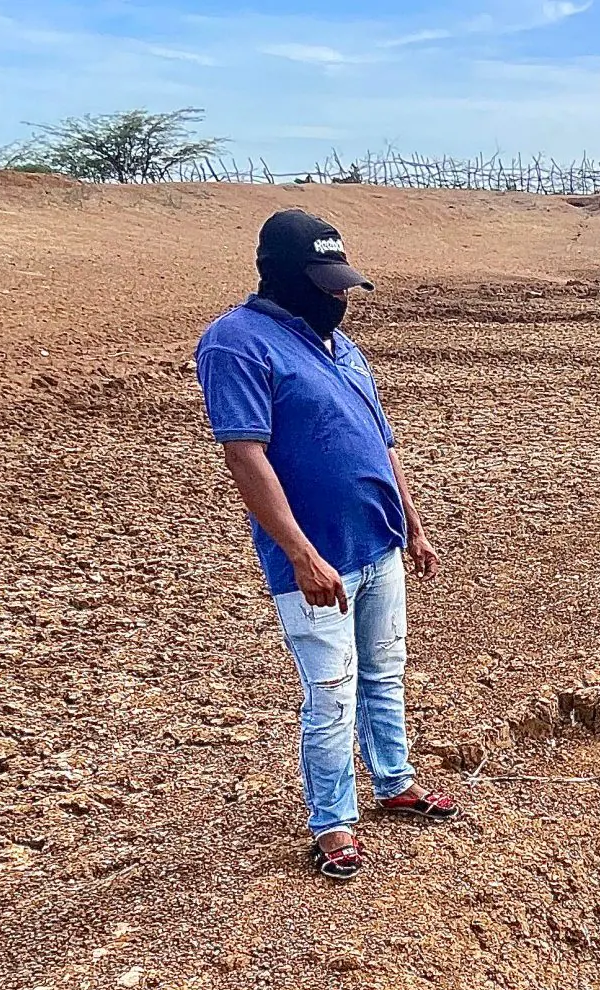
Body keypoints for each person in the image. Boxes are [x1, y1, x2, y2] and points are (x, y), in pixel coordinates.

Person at [195, 209, 458, 880]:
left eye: (343, 283)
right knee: (332, 691)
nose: (339, 296)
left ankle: (394, 781)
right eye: (326, 283)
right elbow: (246, 455)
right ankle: (333, 822)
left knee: (385, 672)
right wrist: (300, 552)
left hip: (380, 545)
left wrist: (415, 526)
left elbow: (383, 445)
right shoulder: (237, 342)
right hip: (317, 562)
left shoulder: (343, 349)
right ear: (281, 277)